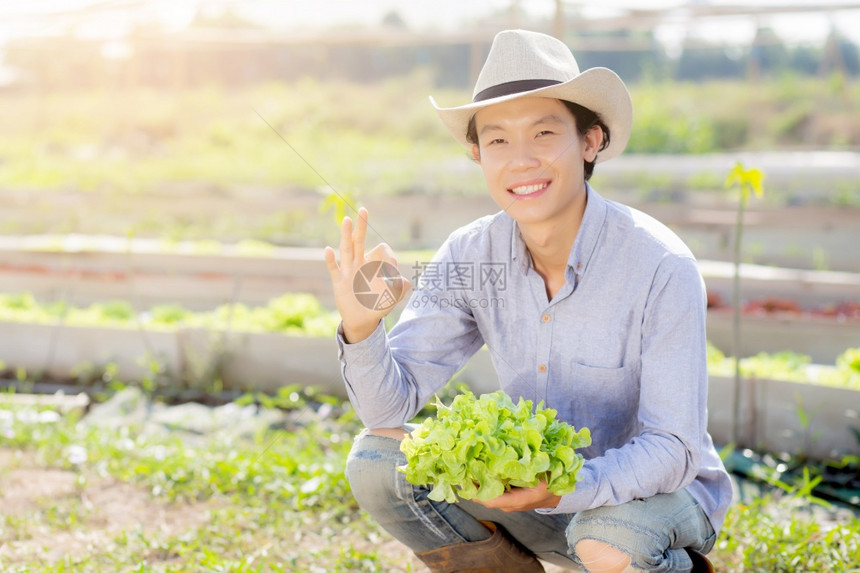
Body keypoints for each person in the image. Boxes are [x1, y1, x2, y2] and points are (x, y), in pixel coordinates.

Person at [324, 29, 733, 573]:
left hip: (655, 496)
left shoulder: (660, 266)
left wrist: (561, 487)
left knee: (605, 539)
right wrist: (361, 326)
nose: (520, 161)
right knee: (378, 462)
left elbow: (674, 448)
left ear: (590, 142)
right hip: (539, 492)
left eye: (543, 133)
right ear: (477, 154)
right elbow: (388, 412)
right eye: (497, 141)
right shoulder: (472, 255)